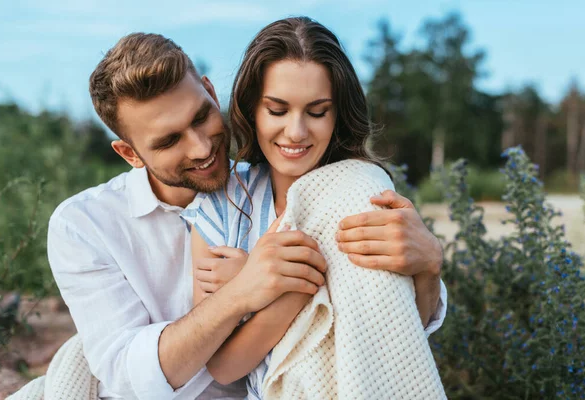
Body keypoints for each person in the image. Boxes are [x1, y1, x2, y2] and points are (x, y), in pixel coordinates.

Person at [46, 31, 445, 399]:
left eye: (202, 117)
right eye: (169, 141)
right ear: (129, 153)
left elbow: (392, 318)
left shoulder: (288, 185)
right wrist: (248, 289)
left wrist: (429, 266)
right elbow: (132, 373)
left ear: (210, 91)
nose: (202, 148)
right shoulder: (84, 225)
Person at [187, 17, 446, 399]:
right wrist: (277, 285)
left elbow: (396, 337)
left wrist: (429, 266)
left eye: (317, 111)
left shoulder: (362, 191)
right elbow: (222, 366)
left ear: (338, 113)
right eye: (277, 110)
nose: (296, 132)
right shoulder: (219, 206)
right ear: (251, 110)